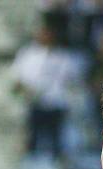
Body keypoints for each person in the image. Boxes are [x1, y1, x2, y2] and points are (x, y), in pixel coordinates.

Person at [12, 22, 85, 159]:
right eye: (42, 32)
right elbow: (16, 82)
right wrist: (27, 91)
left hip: (57, 105)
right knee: (32, 142)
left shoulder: (65, 58)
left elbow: (74, 83)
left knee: (57, 143)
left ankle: (58, 163)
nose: (45, 36)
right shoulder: (27, 55)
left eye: (48, 33)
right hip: (35, 104)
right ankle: (31, 164)